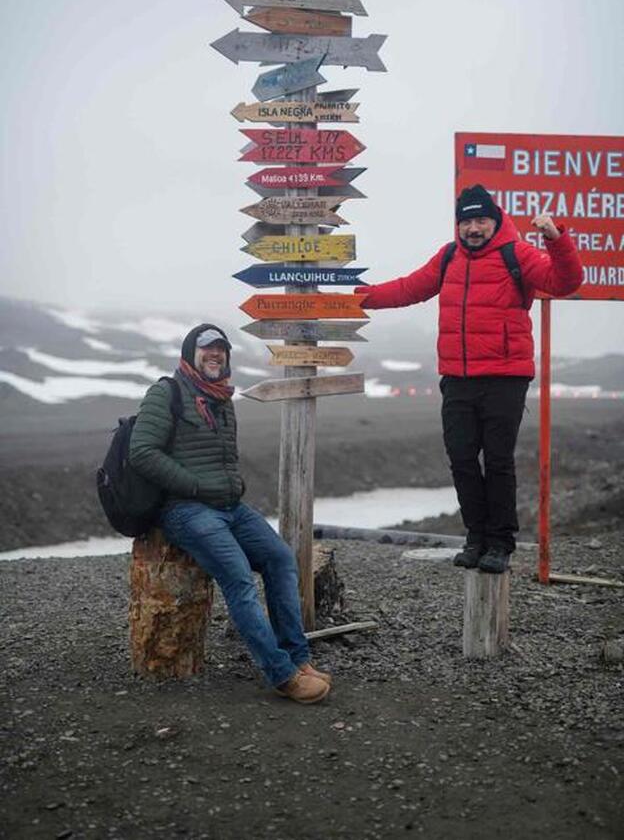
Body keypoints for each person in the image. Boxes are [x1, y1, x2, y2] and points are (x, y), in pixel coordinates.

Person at [355, 185, 583, 572]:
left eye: (481, 220)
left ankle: (500, 543)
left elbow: (566, 282)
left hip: (505, 378)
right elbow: (410, 288)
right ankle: (476, 537)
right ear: (458, 226)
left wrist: (555, 238)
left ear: (494, 222)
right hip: (457, 378)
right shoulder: (448, 258)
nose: (473, 229)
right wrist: (361, 298)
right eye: (466, 222)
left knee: (498, 462)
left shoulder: (517, 253)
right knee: (461, 459)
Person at [128, 322, 331, 703]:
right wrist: (194, 485)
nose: (215, 354)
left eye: (221, 349)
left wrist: (232, 487)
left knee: (280, 559)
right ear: (191, 353)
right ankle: (282, 674)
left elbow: (223, 458)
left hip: (228, 507)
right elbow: (142, 452)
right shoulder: (166, 392)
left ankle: (298, 658)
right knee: (238, 579)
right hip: (185, 510)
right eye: (207, 348)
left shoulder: (221, 397)